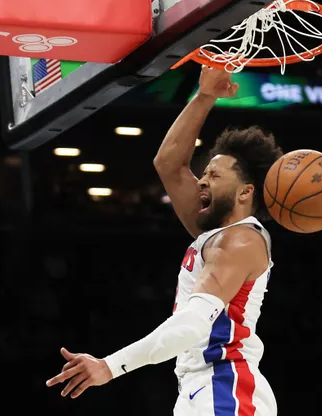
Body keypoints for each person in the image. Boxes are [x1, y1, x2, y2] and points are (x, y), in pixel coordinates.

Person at [46, 66, 284, 416]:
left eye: (214, 176)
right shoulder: (212, 232)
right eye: (203, 174)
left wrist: (109, 366)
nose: (202, 181)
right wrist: (205, 96)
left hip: (225, 387)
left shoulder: (240, 242)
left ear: (246, 192)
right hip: (202, 387)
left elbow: (191, 326)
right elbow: (170, 163)